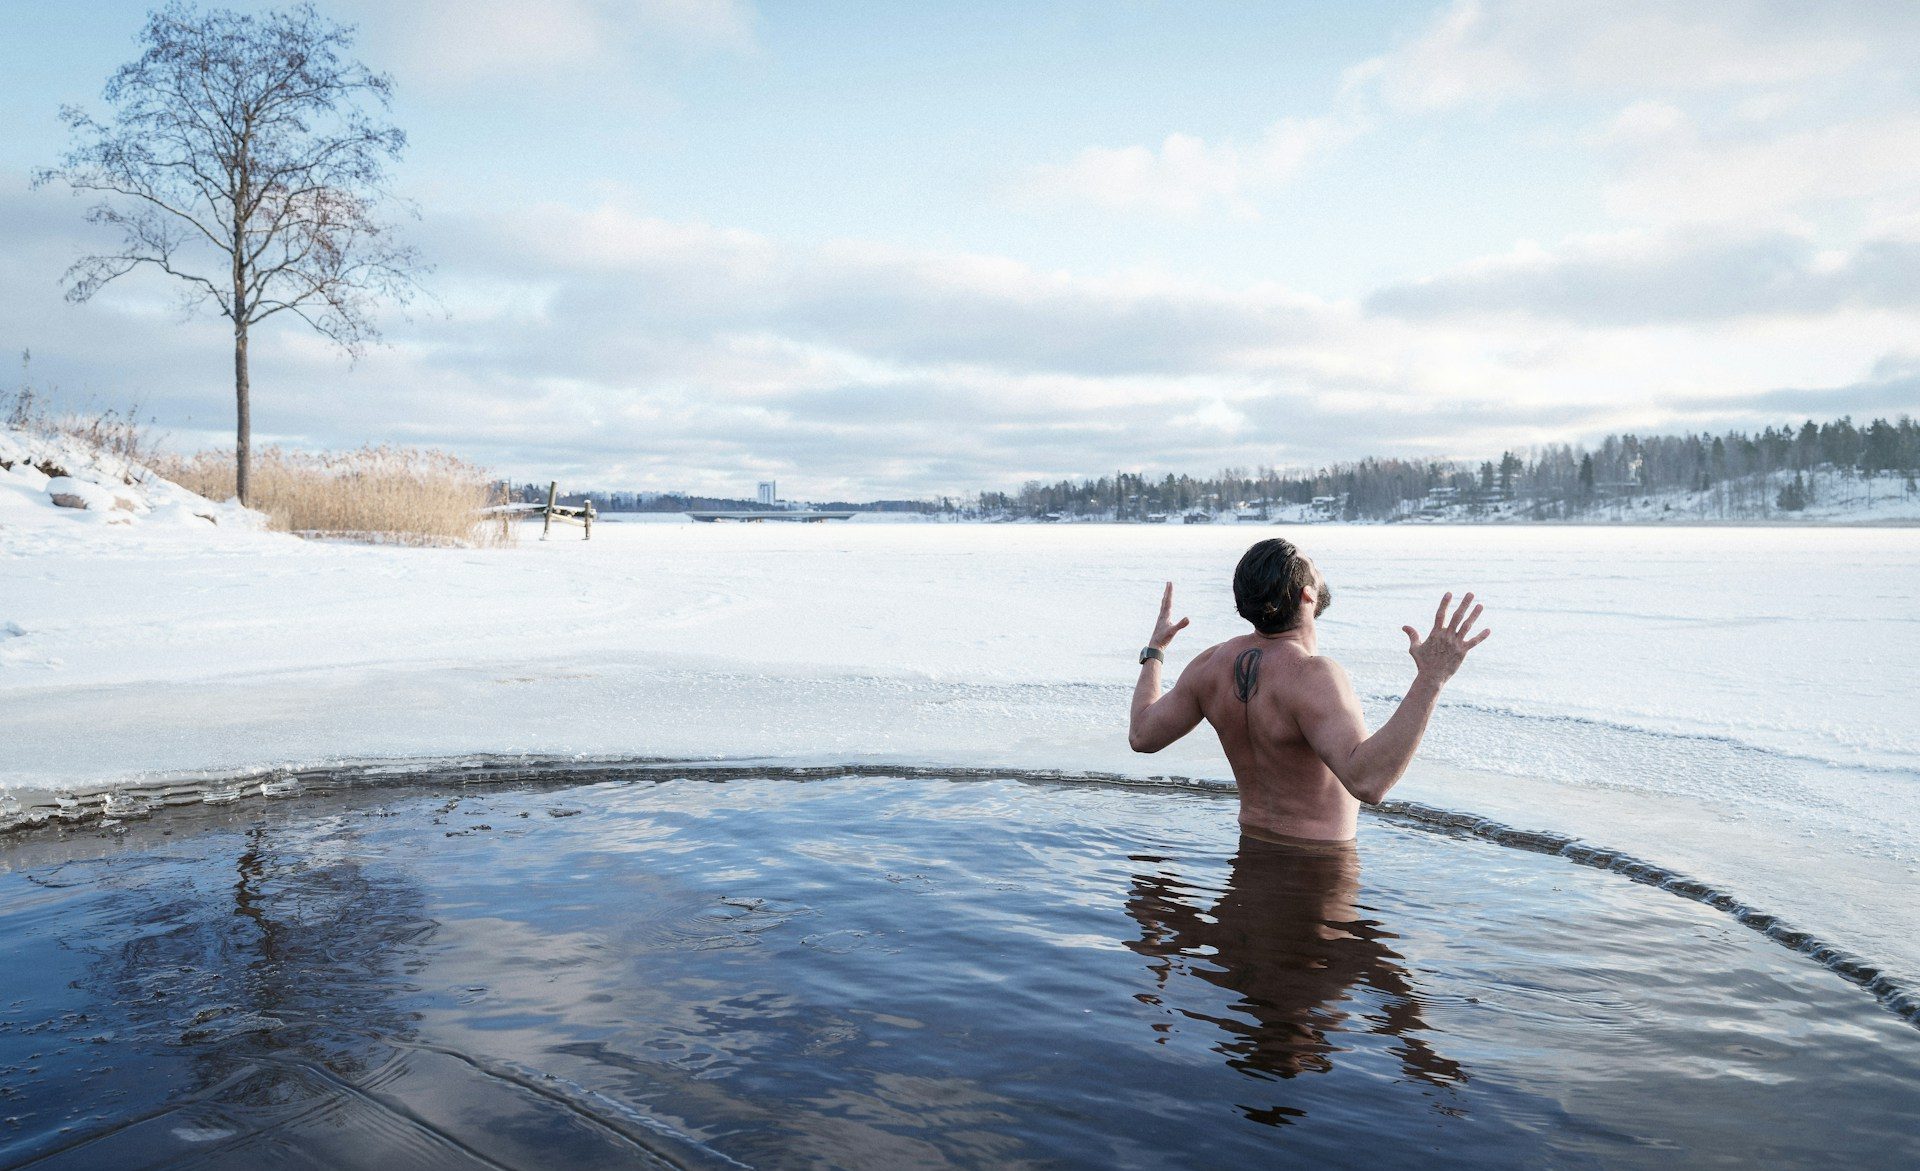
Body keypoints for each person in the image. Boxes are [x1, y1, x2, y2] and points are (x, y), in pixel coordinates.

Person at [1128, 538, 1489, 843]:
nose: (1319, 570)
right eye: (1314, 566)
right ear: (1308, 595)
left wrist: (1155, 652)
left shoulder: (1211, 666)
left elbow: (1143, 734)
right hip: (1318, 870)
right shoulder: (1312, 676)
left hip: (1250, 850)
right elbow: (1368, 781)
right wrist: (1431, 679)